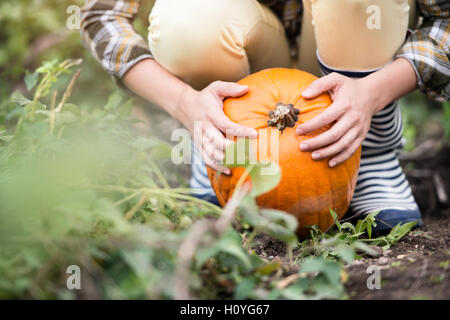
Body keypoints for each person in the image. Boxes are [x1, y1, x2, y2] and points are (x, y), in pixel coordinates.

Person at [81, 0, 449, 232]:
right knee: (187, 17)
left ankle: (367, 153)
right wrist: (185, 103)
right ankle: (220, 141)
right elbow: (103, 17)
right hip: (245, 66)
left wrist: (373, 92)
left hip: (353, 64)